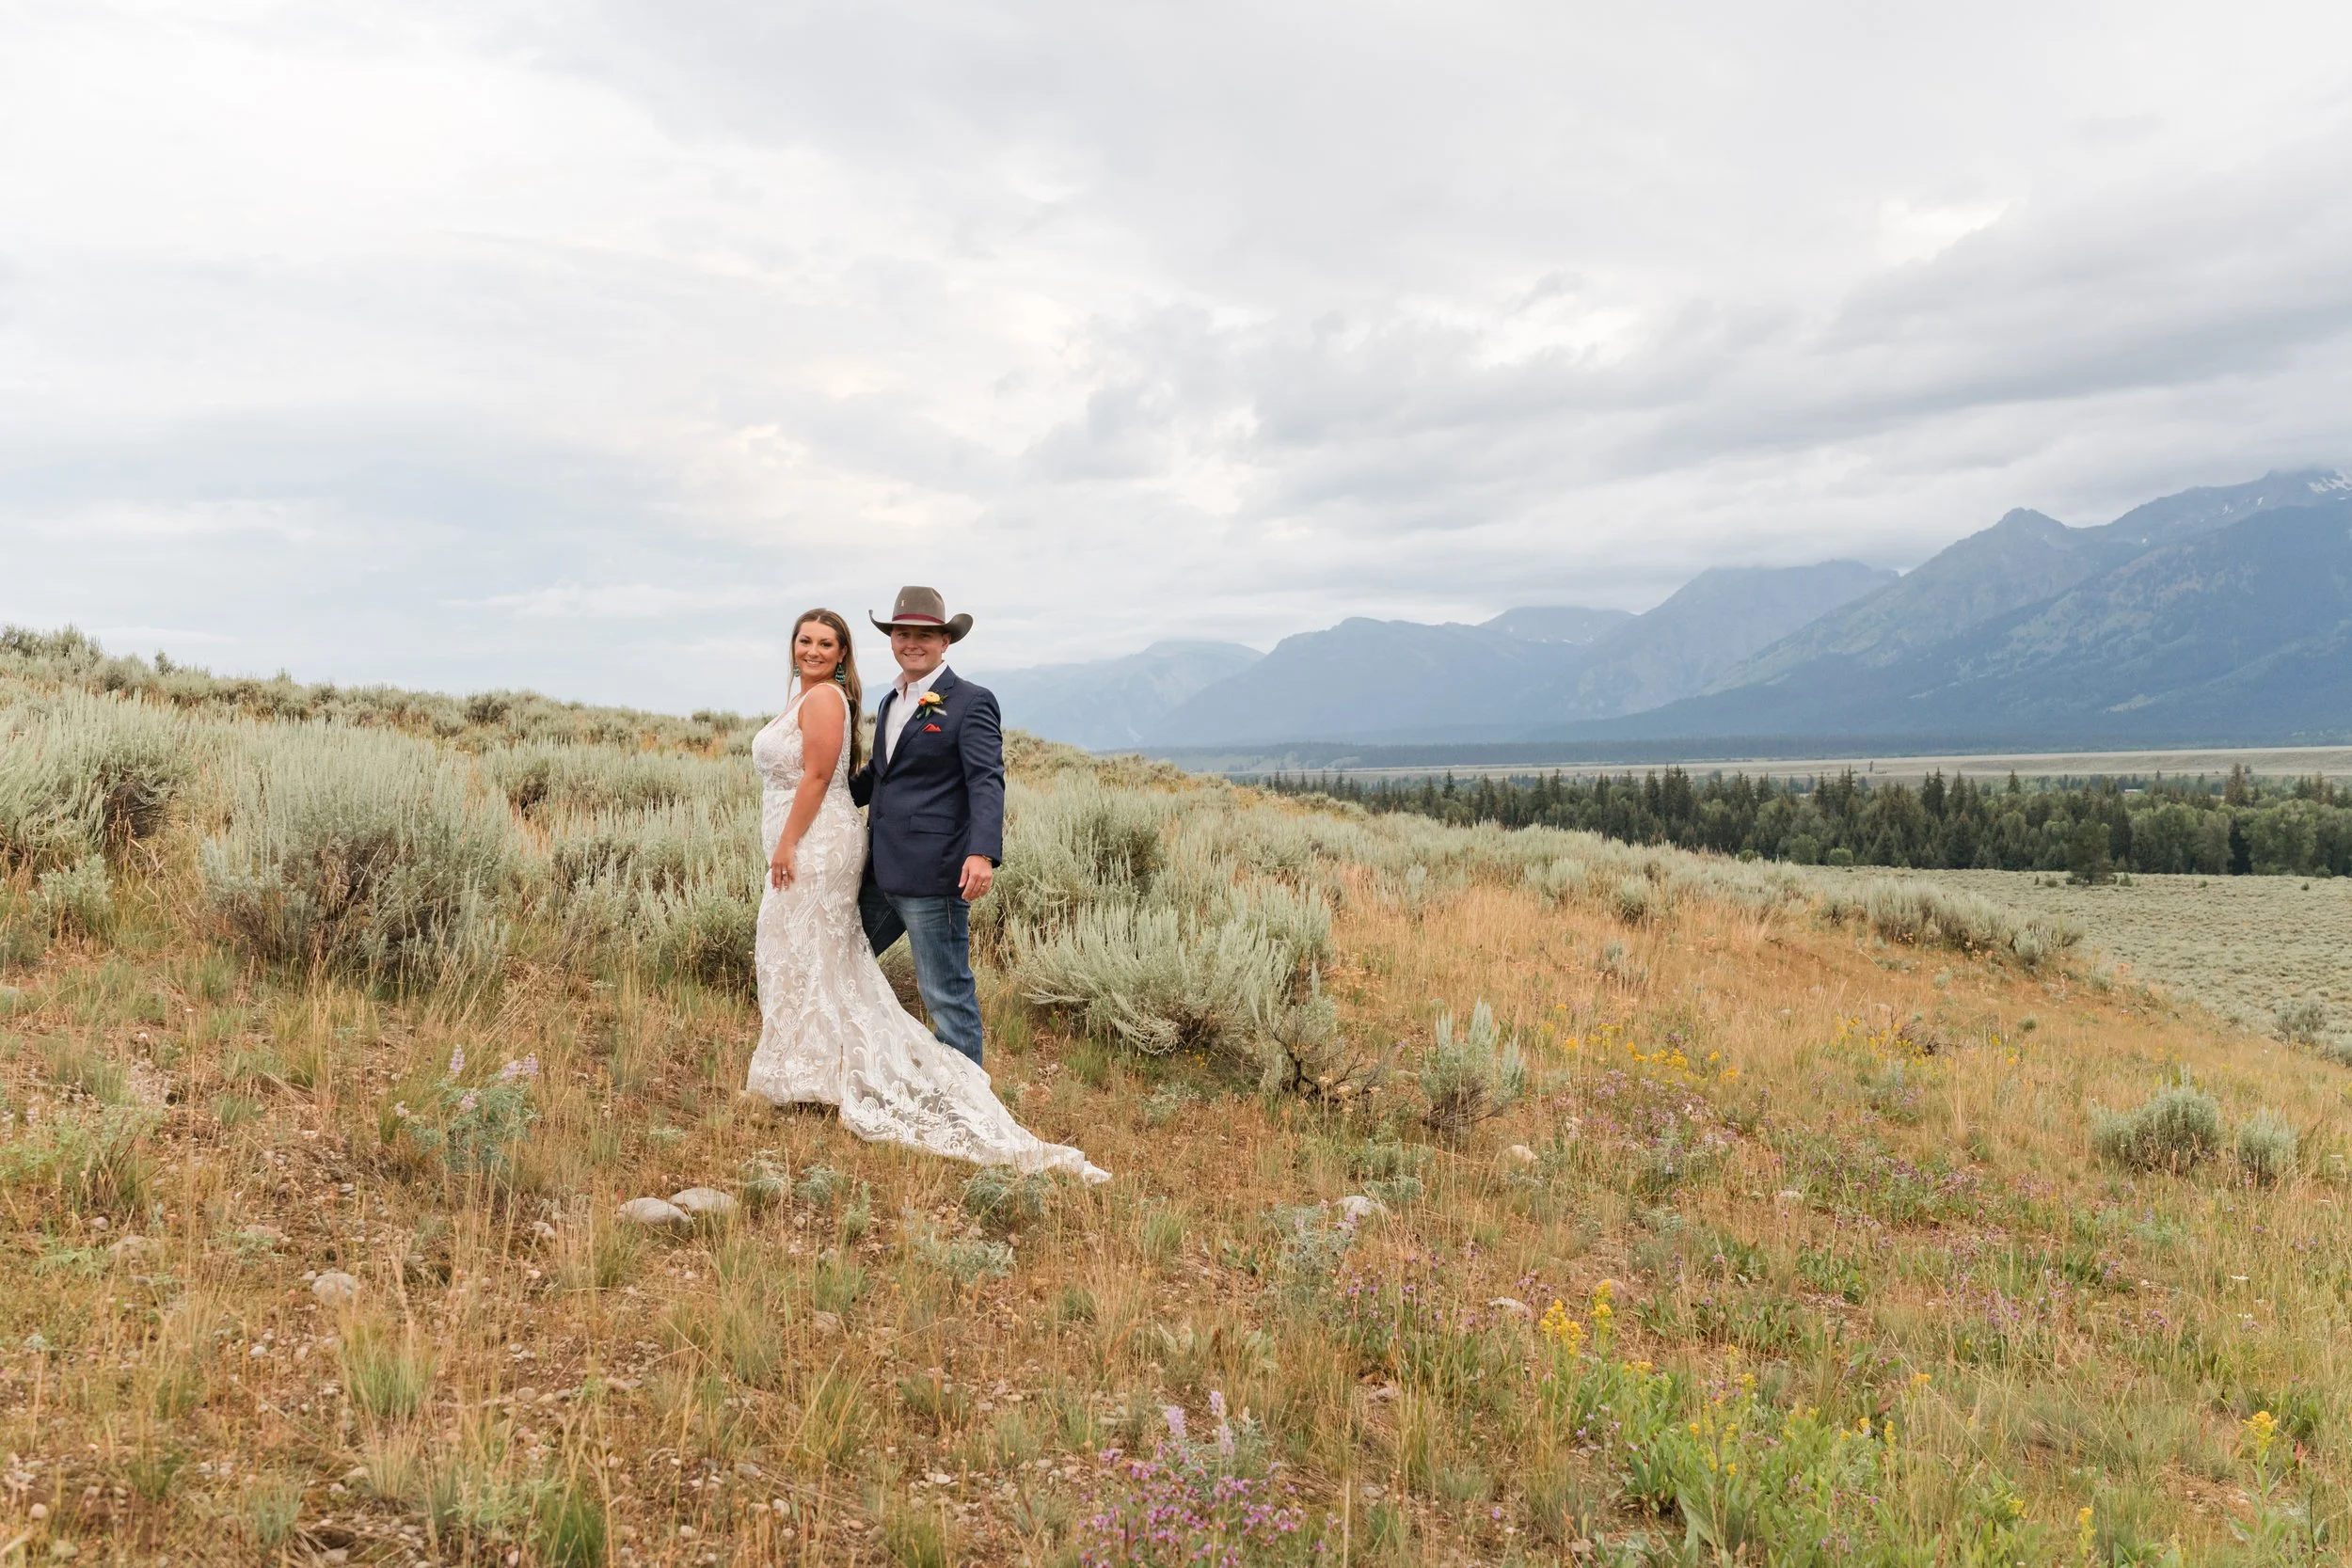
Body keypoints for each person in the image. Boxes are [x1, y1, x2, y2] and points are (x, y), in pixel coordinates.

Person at [742, 602, 1106, 1183]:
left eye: (923, 636)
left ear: (944, 642)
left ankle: (967, 1105)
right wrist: (831, 806)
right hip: (874, 867)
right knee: (838, 961)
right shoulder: (890, 702)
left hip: (934, 870)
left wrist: (983, 852)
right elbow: (873, 778)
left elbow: (986, 779)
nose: (911, 643)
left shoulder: (970, 701)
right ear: (891, 641)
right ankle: (828, 1070)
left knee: (945, 991)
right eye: (902, 634)